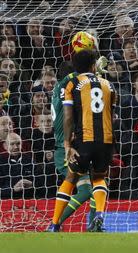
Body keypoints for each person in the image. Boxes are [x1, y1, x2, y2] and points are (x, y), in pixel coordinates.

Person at [48, 49, 115, 232]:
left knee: (90, 182)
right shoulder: (68, 85)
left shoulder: (67, 87)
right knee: (93, 184)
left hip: (80, 141)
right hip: (75, 144)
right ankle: (57, 223)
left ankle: (91, 226)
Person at [47, 61, 96, 231]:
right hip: (65, 150)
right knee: (86, 191)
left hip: (76, 147)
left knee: (95, 187)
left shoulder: (60, 90)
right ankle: (55, 224)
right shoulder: (64, 88)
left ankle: (93, 227)